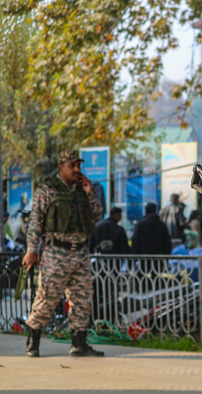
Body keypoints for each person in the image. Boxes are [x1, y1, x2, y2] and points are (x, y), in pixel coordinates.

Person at [22, 150, 104, 357]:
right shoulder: (47, 189)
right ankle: (33, 341)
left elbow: (96, 216)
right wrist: (32, 250)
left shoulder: (83, 189)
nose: (77, 170)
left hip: (81, 254)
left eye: (78, 165)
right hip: (56, 252)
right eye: (72, 166)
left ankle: (79, 344)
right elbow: (35, 221)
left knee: (82, 299)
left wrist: (89, 193)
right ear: (61, 167)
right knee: (47, 297)